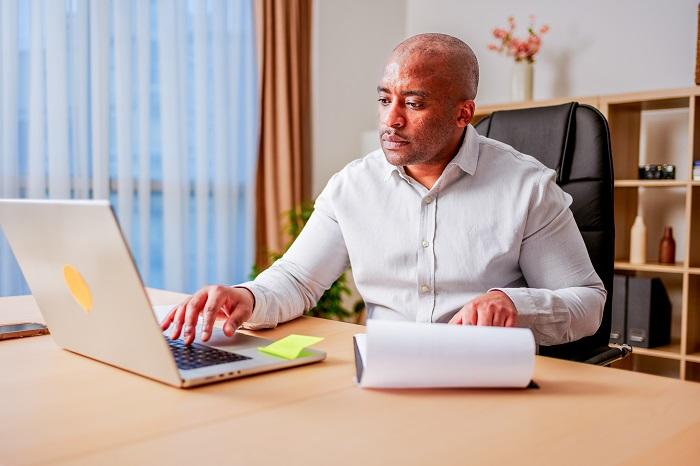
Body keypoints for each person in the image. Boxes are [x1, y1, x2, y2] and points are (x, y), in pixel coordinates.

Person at [161, 33, 606, 348]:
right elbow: (297, 280)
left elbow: (587, 304)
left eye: (413, 103)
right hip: (383, 372)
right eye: (384, 99)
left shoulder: (527, 187)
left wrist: (512, 305)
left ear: (462, 113)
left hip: (486, 374)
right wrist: (249, 296)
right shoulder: (353, 186)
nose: (391, 120)